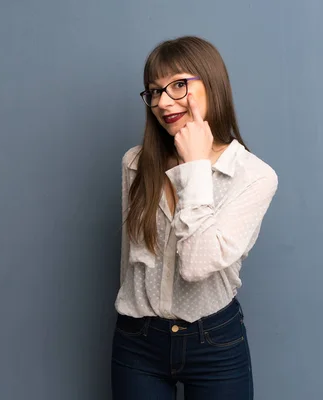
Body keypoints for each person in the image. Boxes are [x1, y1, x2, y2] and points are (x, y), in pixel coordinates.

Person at [111, 36, 278, 400]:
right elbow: (130, 262)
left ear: (211, 83)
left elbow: (196, 264)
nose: (163, 102)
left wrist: (196, 167)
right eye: (154, 91)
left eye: (179, 85)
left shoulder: (254, 175)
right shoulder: (134, 164)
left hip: (214, 342)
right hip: (137, 340)